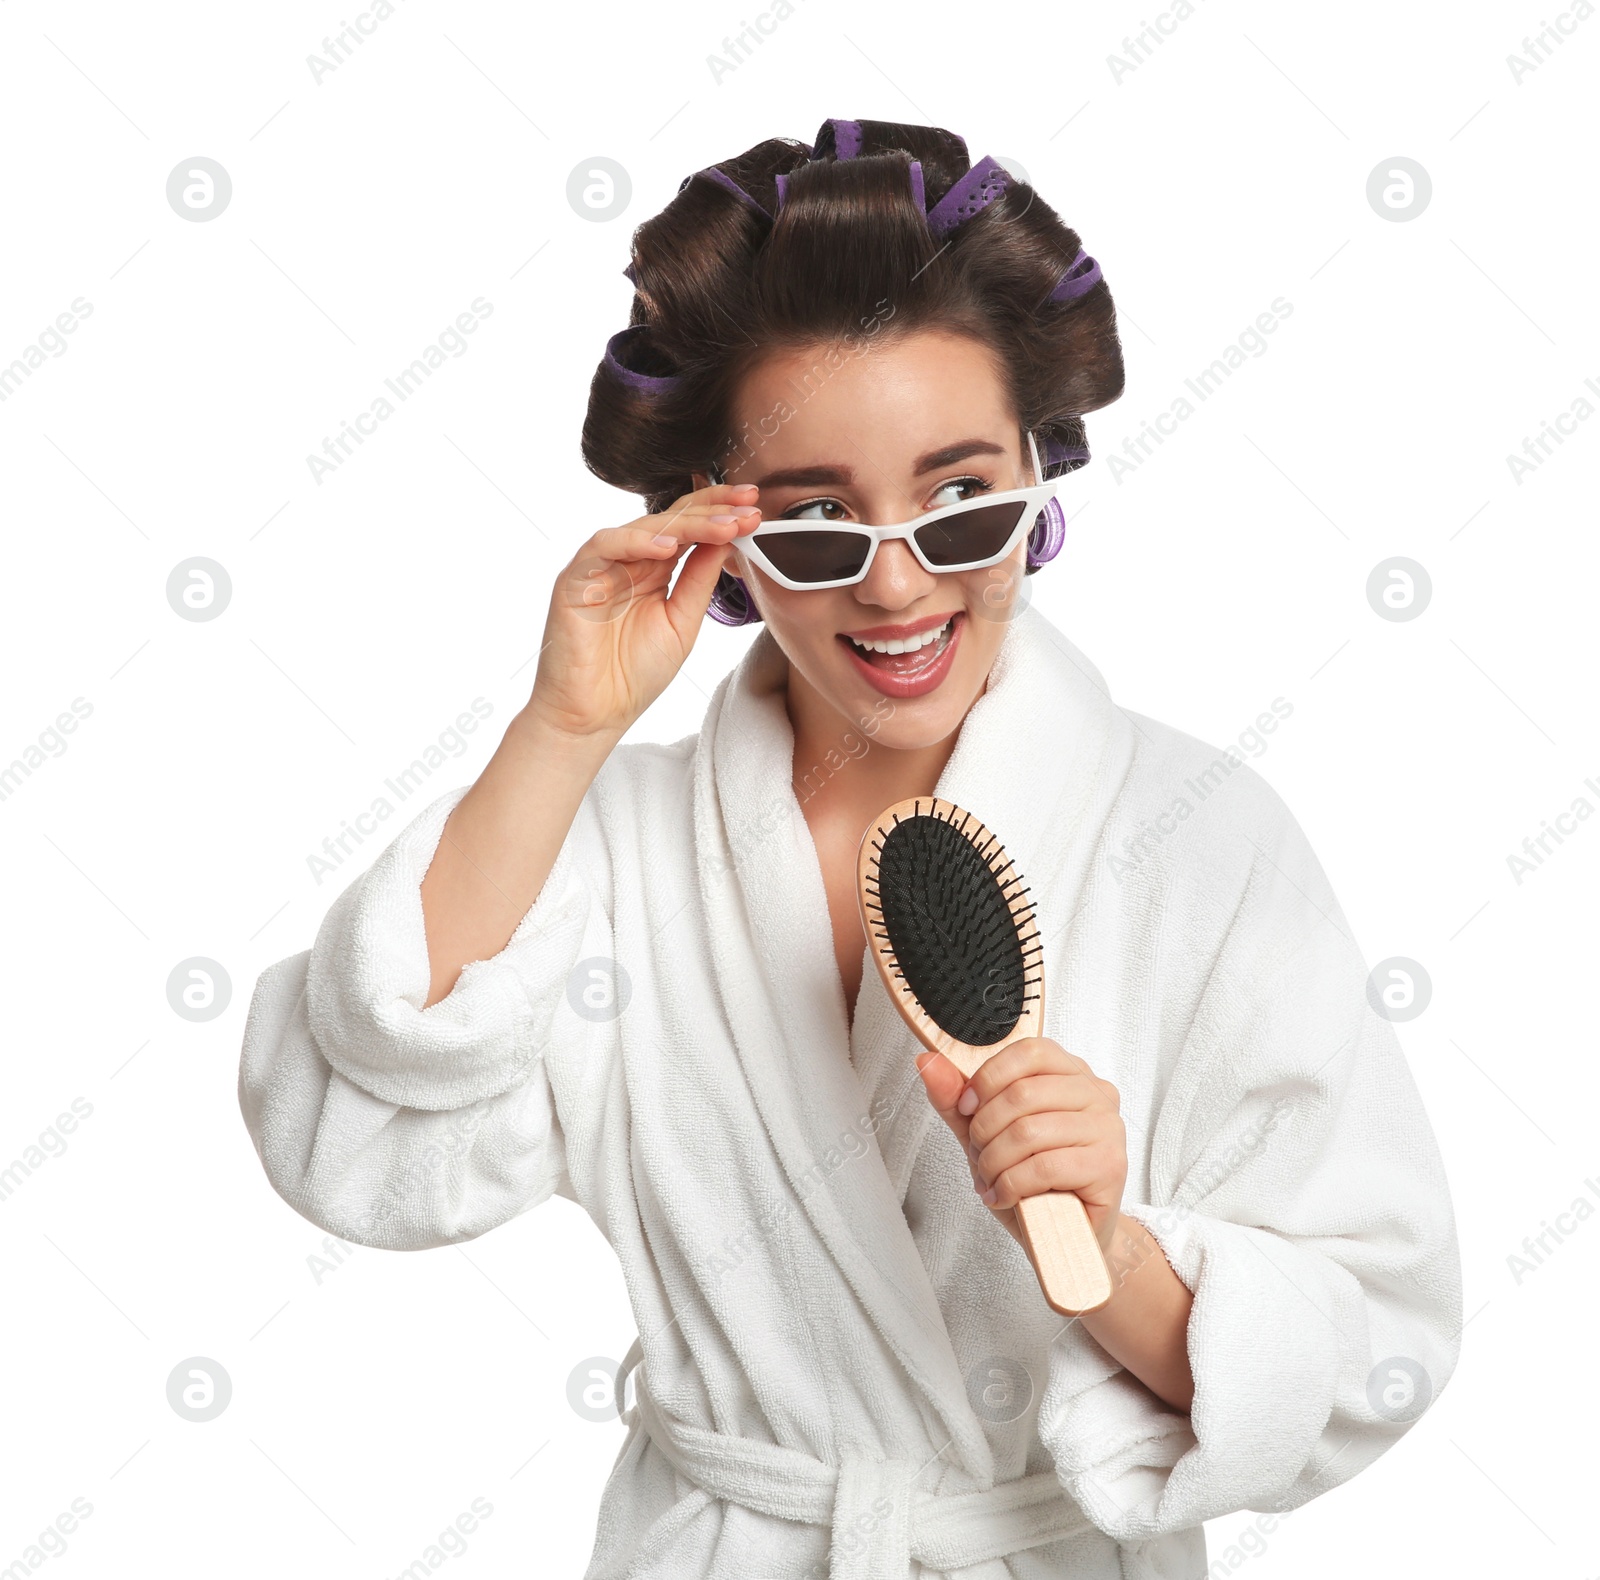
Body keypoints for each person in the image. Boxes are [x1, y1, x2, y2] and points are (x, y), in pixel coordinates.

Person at [238, 117, 1462, 1579]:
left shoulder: (1195, 842)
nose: (896, 583)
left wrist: (1109, 1252)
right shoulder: (615, 847)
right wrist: (563, 730)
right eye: (815, 523)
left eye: (963, 502)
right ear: (725, 539)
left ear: (1040, 483)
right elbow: (356, 1143)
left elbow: (1376, 1341)